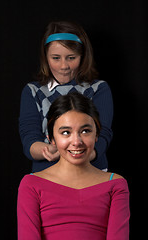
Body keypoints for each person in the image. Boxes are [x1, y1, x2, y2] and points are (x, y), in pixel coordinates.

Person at [17, 92, 130, 240]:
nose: (76, 141)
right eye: (65, 132)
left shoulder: (115, 185)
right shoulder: (31, 185)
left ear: (96, 135)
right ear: (51, 138)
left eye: (85, 131)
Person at [19, 21, 113, 172]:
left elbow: (104, 133)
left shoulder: (98, 89)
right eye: (56, 58)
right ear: (45, 57)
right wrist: (46, 150)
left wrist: (84, 155)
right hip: (48, 172)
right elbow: (29, 137)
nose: (64, 66)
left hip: (91, 171)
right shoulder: (33, 91)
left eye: (71, 57)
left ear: (82, 56)